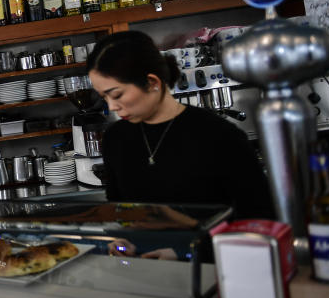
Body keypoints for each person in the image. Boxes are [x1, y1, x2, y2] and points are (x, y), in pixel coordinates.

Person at [86, 31, 273, 232]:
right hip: (143, 261)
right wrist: (123, 238)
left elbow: (259, 218)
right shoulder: (116, 139)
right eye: (103, 97)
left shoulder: (219, 136)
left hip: (212, 261)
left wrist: (189, 241)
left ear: (152, 82)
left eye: (116, 94)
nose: (112, 106)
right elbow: (120, 209)